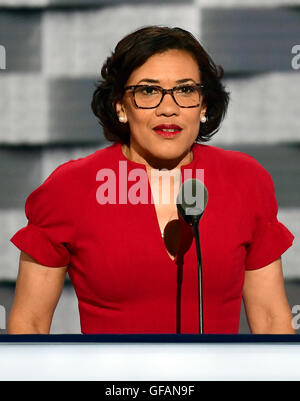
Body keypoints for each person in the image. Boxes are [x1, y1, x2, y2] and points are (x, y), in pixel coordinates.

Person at [8, 26, 295, 334]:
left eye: (185, 90)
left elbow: (270, 320)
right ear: (120, 106)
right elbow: (30, 324)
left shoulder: (245, 181)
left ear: (204, 105)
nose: (168, 109)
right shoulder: (71, 188)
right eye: (148, 91)